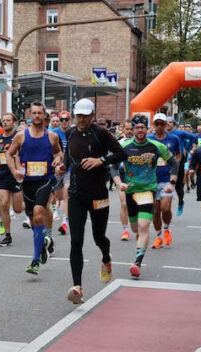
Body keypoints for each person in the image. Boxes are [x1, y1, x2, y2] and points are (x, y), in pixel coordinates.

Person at [56, 98, 125, 303]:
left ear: (92, 115)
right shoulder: (70, 133)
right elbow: (69, 157)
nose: (81, 119)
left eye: (85, 116)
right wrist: (62, 166)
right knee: (76, 240)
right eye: (79, 115)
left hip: (98, 194)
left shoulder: (101, 133)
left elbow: (123, 154)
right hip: (76, 194)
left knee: (98, 238)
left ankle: (106, 257)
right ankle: (77, 287)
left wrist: (100, 160)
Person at [118, 115, 178, 279]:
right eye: (136, 127)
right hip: (131, 191)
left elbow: (174, 163)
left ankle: (137, 262)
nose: (139, 130)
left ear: (147, 129)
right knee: (136, 229)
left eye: (142, 127)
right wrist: (119, 182)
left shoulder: (156, 146)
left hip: (147, 191)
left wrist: (171, 182)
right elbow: (114, 167)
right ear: (133, 129)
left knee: (144, 227)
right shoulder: (125, 146)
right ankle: (140, 247)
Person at [7, 101, 63, 275]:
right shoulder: (21, 136)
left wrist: (58, 159)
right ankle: (44, 242)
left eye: (40, 113)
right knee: (33, 220)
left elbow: (59, 152)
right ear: (29, 115)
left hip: (45, 180)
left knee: (39, 213)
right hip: (28, 182)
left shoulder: (51, 136)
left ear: (44, 115)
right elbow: (9, 154)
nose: (37, 116)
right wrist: (14, 171)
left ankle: (35, 260)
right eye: (34, 113)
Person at [147, 113, 183, 249]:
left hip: (167, 178)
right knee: (155, 212)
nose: (160, 126)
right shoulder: (148, 139)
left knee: (165, 208)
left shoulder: (174, 138)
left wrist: (174, 165)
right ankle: (158, 236)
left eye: (162, 123)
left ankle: (167, 228)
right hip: (152, 179)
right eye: (157, 124)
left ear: (166, 125)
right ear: (154, 125)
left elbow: (179, 154)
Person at [0, 112, 22, 247]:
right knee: (4, 204)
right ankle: (7, 235)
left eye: (8, 120)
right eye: (3, 120)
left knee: (17, 209)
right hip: (3, 175)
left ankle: (29, 203)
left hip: (15, 175)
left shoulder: (19, 137)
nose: (5, 122)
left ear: (14, 122)